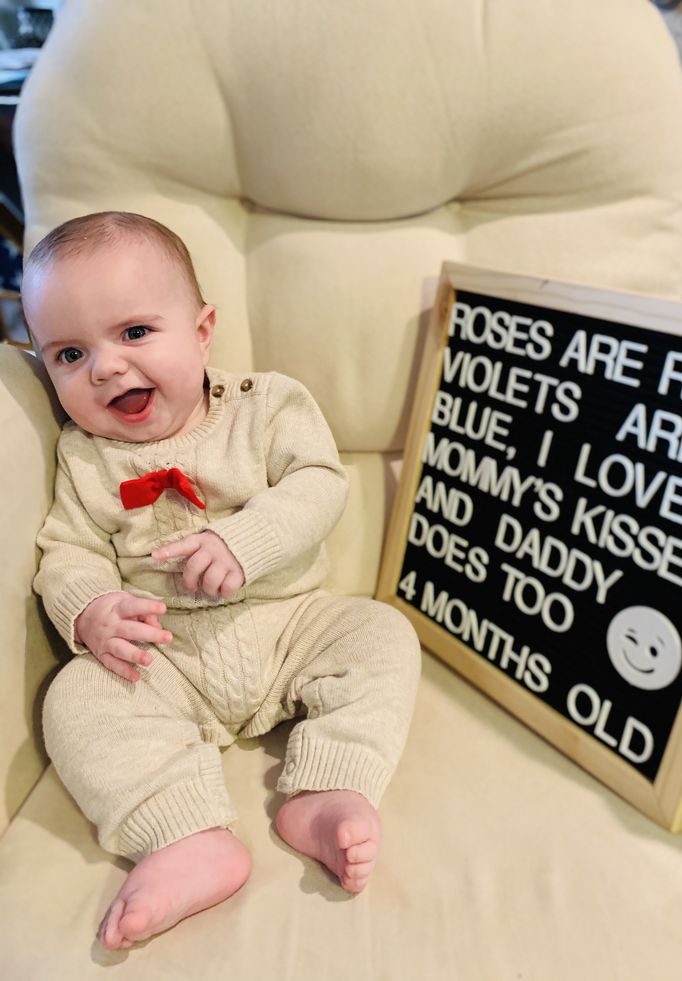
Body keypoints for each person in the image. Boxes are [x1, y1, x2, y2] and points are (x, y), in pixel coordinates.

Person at [22, 211, 421, 951]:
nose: (105, 367)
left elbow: (320, 484)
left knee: (380, 633)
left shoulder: (266, 407)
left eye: (135, 333)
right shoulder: (85, 459)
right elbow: (65, 553)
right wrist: (92, 609)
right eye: (70, 353)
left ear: (202, 330)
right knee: (73, 697)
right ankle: (185, 836)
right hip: (164, 659)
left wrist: (247, 538)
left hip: (289, 626)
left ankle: (328, 786)